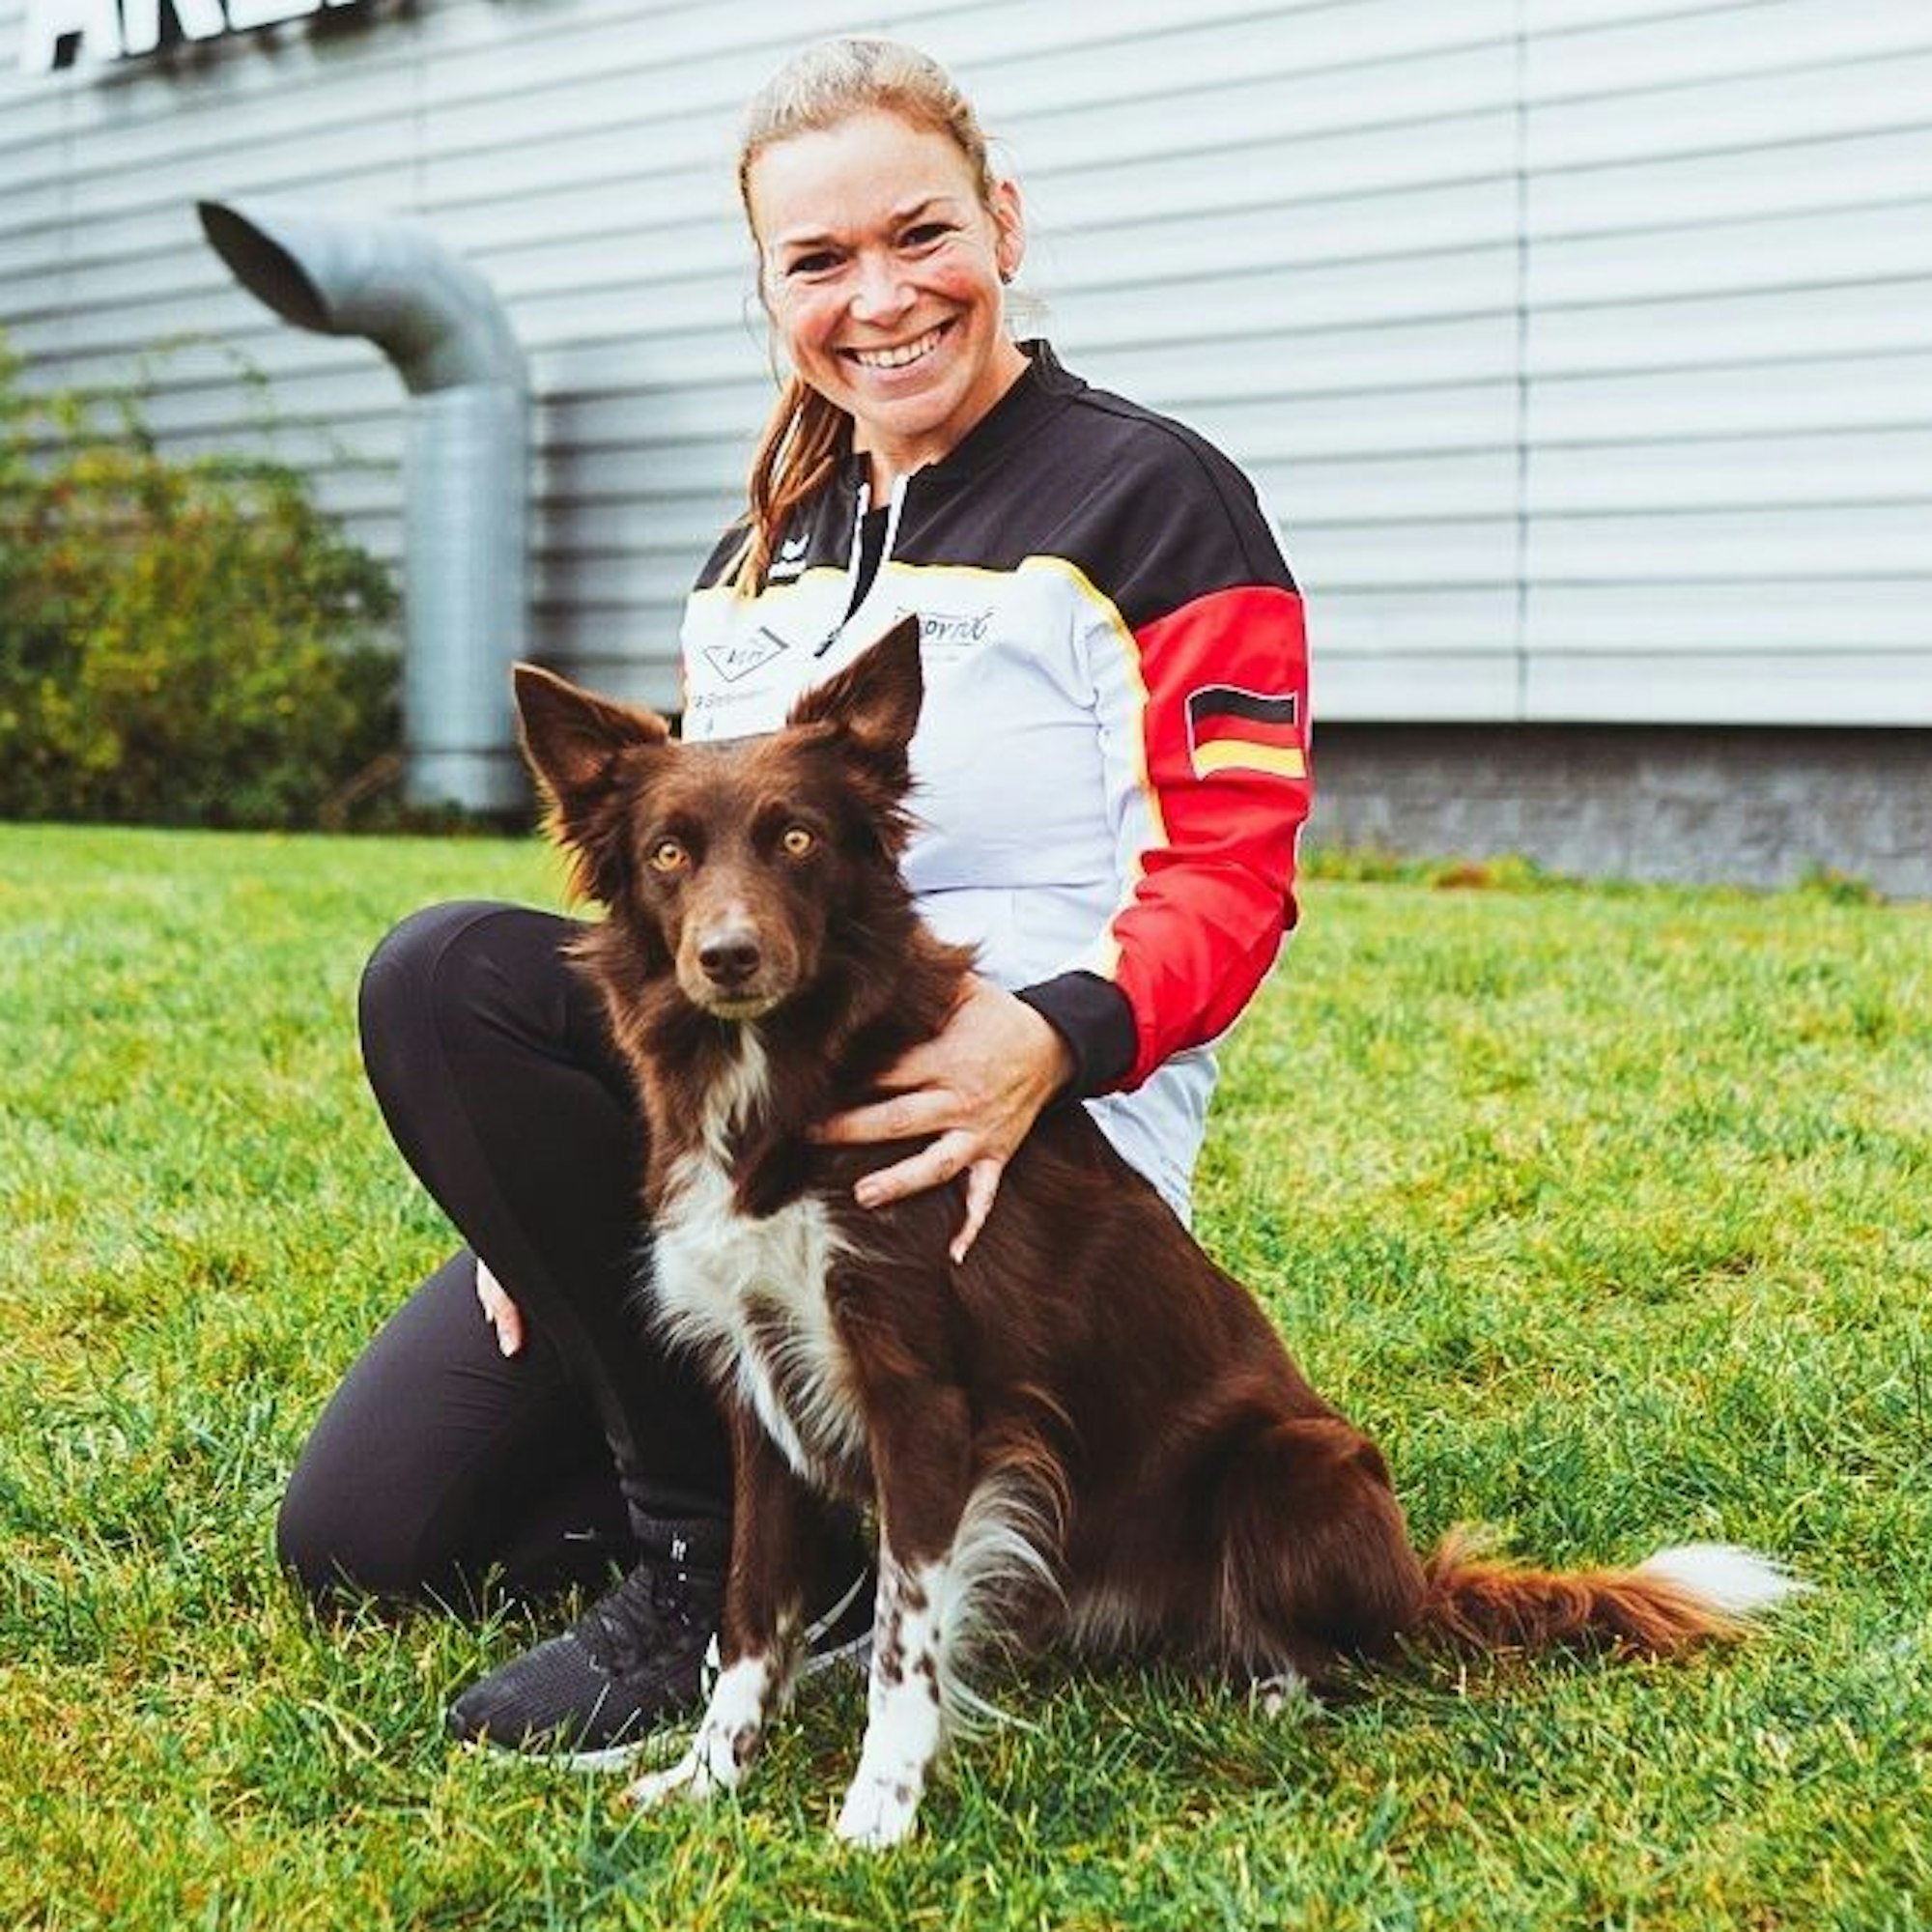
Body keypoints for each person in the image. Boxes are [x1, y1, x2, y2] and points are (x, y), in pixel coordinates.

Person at [275, 34, 1313, 1765]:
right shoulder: (757, 551)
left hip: (1003, 1148)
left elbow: (1233, 872)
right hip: (756, 1128)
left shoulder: (1154, 497)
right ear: (770, 287)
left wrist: (1046, 1044)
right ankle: (781, 1503)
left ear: (1005, 223)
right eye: (819, 261)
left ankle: (722, 1573)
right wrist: (520, 1196)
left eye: (921, 236)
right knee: (371, 1533)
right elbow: (688, 910)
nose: (881, 298)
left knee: (446, 972)